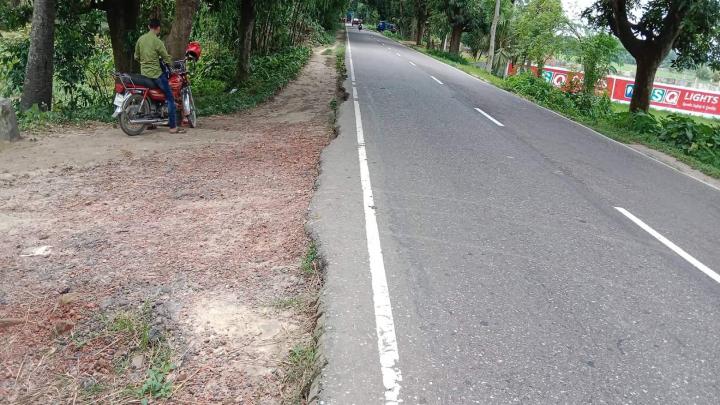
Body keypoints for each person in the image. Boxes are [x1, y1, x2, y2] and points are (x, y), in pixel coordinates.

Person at [134, 18, 185, 133]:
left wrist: (145, 62)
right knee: (170, 98)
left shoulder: (141, 39)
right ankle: (173, 127)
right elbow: (166, 57)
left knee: (152, 97)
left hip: (144, 74)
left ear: (148, 27)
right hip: (156, 75)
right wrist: (171, 66)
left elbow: (136, 56)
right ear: (158, 28)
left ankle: (151, 123)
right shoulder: (157, 42)